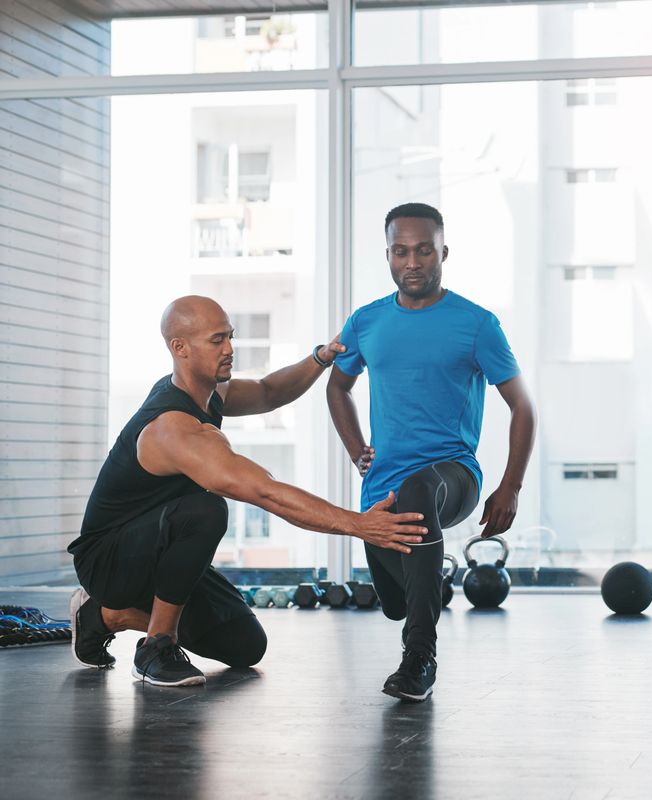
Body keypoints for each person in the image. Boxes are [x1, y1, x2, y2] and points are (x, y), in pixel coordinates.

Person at [67, 295, 427, 687]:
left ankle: (104, 617)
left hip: (160, 550)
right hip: (110, 561)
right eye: (217, 340)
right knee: (206, 510)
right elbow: (264, 492)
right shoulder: (172, 429)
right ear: (180, 348)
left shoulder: (208, 392)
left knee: (246, 646)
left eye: (230, 337)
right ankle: (156, 645)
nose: (229, 349)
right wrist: (359, 525)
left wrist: (321, 357)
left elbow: (270, 391)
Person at [327, 202, 536, 703]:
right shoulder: (366, 321)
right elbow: (338, 388)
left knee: (421, 490)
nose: (413, 262)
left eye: (424, 250)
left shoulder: (477, 324)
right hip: (382, 488)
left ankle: (419, 657)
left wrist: (510, 487)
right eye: (401, 251)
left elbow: (522, 406)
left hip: (452, 476)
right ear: (388, 255)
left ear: (444, 251)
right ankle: (428, 579)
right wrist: (358, 451)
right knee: (398, 602)